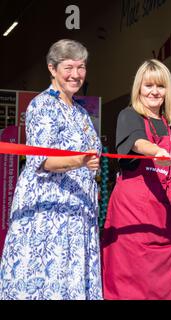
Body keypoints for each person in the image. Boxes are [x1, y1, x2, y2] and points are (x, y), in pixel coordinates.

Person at [0, 39, 102, 300]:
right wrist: (79, 161)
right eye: (69, 67)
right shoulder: (42, 105)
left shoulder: (80, 112)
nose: (76, 74)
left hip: (78, 213)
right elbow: (42, 160)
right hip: (50, 214)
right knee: (48, 279)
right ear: (52, 69)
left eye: (81, 67)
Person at [101, 59, 171, 300]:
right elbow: (136, 141)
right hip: (133, 216)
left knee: (163, 287)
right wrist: (156, 151)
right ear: (138, 88)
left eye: (160, 86)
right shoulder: (129, 115)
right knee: (129, 283)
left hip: (165, 217)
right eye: (148, 86)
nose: (155, 92)